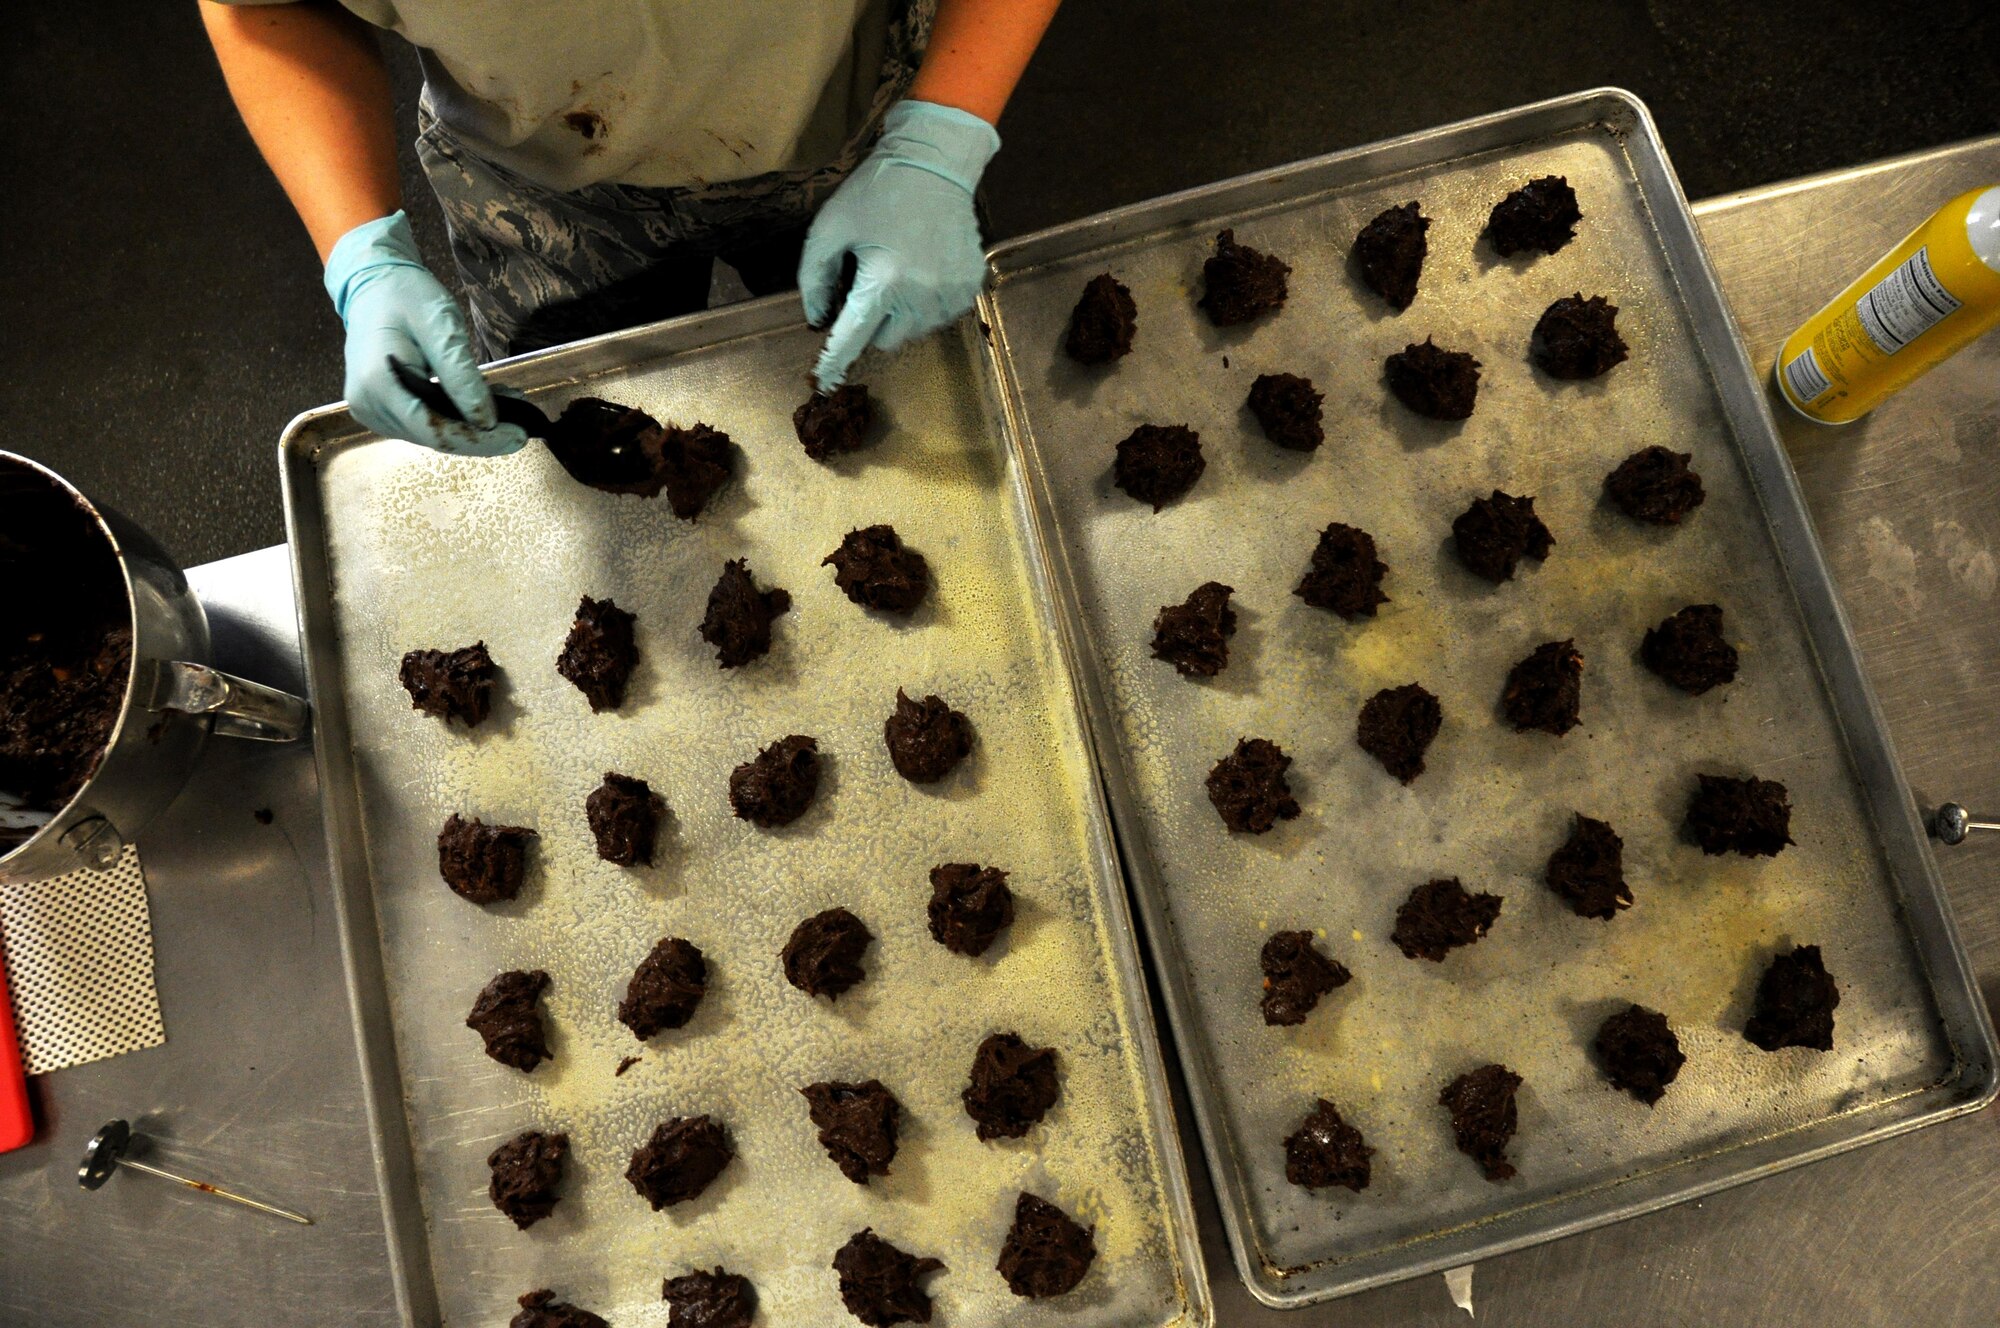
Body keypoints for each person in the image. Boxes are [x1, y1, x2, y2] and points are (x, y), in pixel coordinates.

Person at [199, 0, 1061, 455]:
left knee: (911, 395)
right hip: (535, 183)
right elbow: (264, 9)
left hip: (861, 130)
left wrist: (941, 141)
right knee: (581, 428)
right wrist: (361, 253)